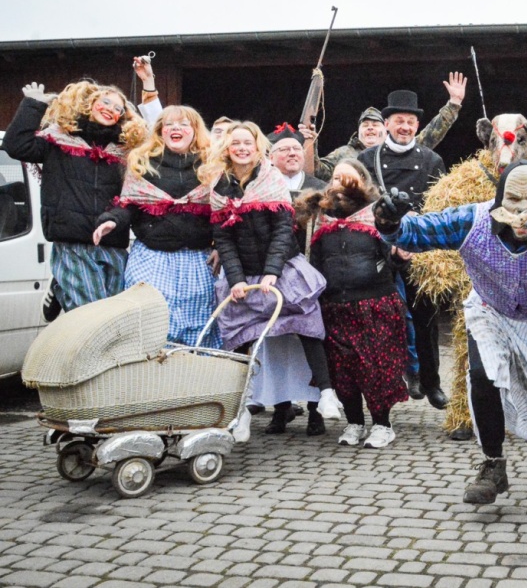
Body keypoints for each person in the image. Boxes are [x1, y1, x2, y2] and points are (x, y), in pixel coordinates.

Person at [374, 161, 527, 504]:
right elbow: (416, 233)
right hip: (490, 310)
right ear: (498, 199)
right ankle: (493, 463)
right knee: (482, 375)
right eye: (514, 199)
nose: (523, 210)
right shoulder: (472, 221)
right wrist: (390, 221)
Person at [201, 121, 341, 435]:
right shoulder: (220, 186)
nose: (240, 148)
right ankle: (241, 410)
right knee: (237, 335)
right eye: (235, 143)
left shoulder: (271, 178)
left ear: (257, 146)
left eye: (246, 143)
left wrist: (271, 273)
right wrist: (236, 279)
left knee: (308, 321)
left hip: (281, 265)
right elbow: (223, 239)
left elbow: (282, 230)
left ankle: (327, 393)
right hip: (243, 271)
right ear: (227, 148)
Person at [3, 79, 147, 312]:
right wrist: (32, 106)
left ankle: (61, 286)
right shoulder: (59, 141)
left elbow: (132, 197)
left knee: (114, 314)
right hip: (73, 241)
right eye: (106, 102)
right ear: (90, 104)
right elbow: (16, 145)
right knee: (92, 315)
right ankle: (64, 282)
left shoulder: (124, 153)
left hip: (113, 244)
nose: (111, 109)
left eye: (118, 108)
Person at [295, 159, 410, 448]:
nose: (341, 183)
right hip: (335, 306)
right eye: (335, 177)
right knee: (343, 371)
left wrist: (400, 257)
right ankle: (355, 423)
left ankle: (383, 424)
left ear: (363, 180)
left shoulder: (379, 214)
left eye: (350, 177)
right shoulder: (320, 218)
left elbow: (395, 259)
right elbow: (315, 261)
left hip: (374, 305)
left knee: (374, 368)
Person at [93, 105, 218, 347]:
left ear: (195, 131)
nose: (176, 128)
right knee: (152, 319)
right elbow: (128, 204)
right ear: (160, 131)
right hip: (153, 256)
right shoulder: (143, 163)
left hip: (197, 259)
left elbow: (223, 212)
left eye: (184, 124)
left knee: (200, 324)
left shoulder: (211, 166)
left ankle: (195, 378)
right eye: (169, 124)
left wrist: (221, 247)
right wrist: (110, 220)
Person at [359, 88, 450, 408]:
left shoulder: (432, 159)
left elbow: (440, 207)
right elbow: (360, 208)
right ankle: (392, 381)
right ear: (386, 123)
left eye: (411, 121)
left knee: (425, 321)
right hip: (378, 249)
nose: (406, 127)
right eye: (399, 121)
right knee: (381, 321)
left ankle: (432, 382)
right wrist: (389, 245)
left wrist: (414, 241)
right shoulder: (366, 159)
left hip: (418, 250)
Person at [269, 124, 327, 195]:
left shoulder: (322, 189)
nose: (292, 153)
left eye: (297, 148)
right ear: (271, 158)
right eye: (284, 149)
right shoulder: (261, 187)